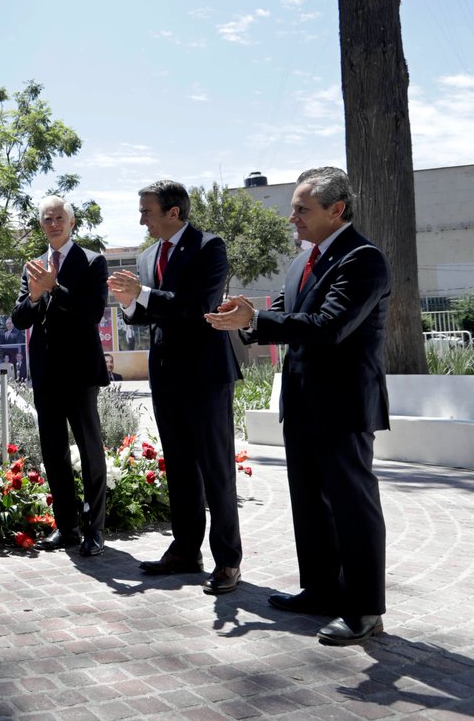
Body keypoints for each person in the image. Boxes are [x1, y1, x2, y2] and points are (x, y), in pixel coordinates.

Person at [207, 166, 389, 646]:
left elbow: (328, 327)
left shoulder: (363, 259)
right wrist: (244, 319)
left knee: (353, 507)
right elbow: (285, 316)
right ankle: (321, 590)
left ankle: (366, 609)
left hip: (344, 405)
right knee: (310, 504)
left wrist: (260, 319)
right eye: (293, 209)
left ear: (336, 210)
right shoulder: (302, 262)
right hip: (303, 402)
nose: (292, 218)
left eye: (301, 209)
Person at [109, 181, 243, 596]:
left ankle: (227, 561)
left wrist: (143, 293)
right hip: (166, 374)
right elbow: (143, 317)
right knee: (180, 468)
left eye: (147, 211)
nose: (141, 219)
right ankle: (186, 550)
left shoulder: (209, 246)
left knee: (216, 470)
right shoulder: (148, 256)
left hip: (205, 375)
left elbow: (195, 304)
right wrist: (128, 301)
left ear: (173, 212)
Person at [12, 196, 110, 557]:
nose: (53, 223)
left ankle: (94, 530)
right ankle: (66, 527)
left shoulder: (92, 261)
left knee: (89, 451)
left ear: (71, 223)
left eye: (59, 217)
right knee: (53, 452)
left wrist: (55, 288)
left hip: (81, 372)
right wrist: (35, 297)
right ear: (41, 225)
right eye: (46, 218)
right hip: (46, 373)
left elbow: (92, 313)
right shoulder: (33, 266)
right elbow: (20, 318)